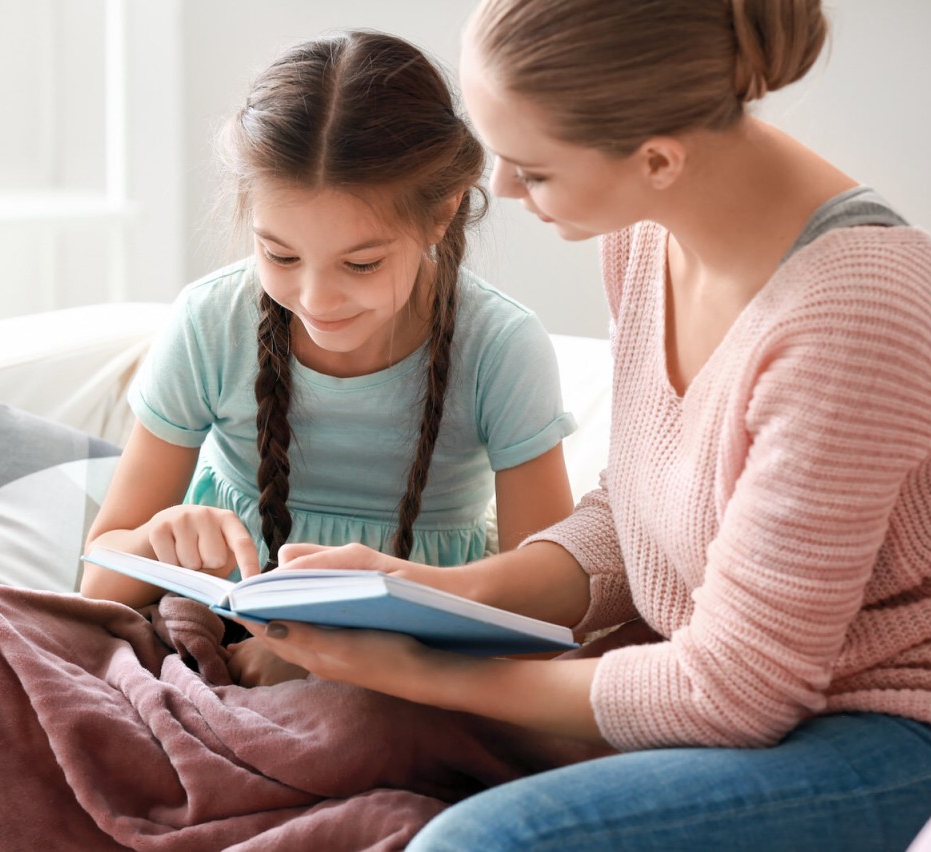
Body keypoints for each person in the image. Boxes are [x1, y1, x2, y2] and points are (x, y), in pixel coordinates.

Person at [235, 1, 931, 848]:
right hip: (759, 700)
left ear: (658, 157)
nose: (503, 191)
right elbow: (638, 514)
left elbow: (733, 692)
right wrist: (423, 593)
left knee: (478, 842)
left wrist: (427, 670)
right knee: (346, 730)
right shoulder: (643, 237)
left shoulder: (857, 317)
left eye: (535, 170)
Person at [80, 29, 577, 686]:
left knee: (345, 726)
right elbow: (98, 584)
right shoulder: (210, 322)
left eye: (362, 263)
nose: (315, 299)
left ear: (442, 214)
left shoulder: (500, 348)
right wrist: (157, 540)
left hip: (409, 668)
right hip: (204, 640)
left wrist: (326, 658)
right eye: (280, 255)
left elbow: (545, 620)